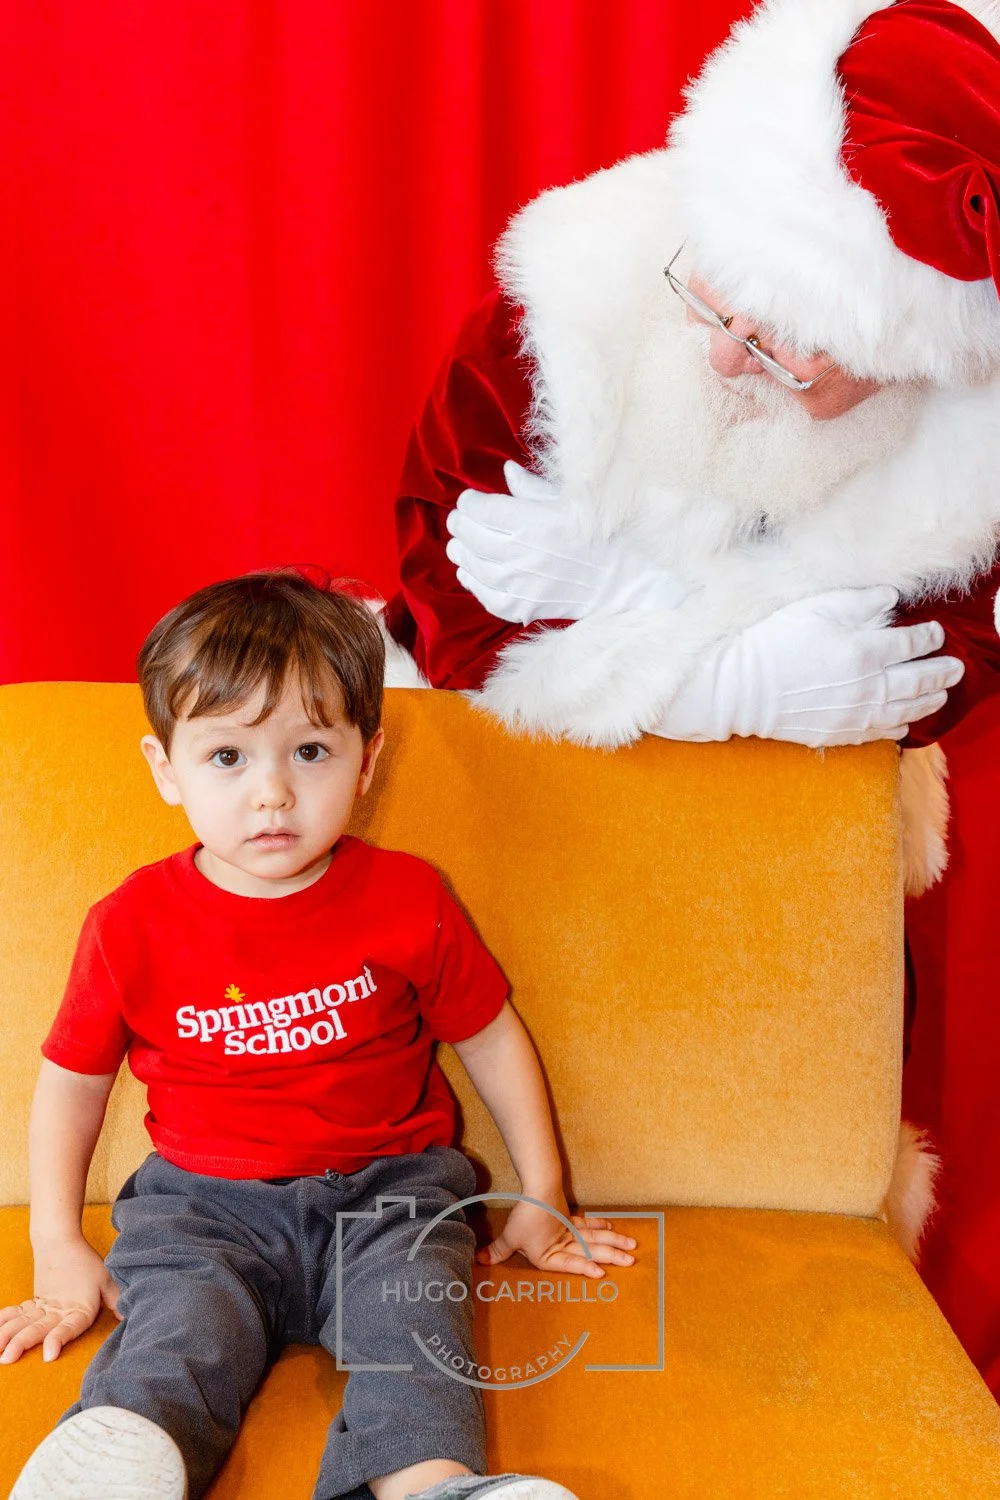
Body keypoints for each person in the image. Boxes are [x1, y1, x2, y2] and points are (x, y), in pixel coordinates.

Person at [381, 0, 1000, 1392]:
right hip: (531, 839)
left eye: (789, 350)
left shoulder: (973, 446)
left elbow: (928, 665)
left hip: (774, 886)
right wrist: (723, 672)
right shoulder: (587, 286)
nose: (728, 354)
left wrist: (606, 607)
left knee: (762, 1240)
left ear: (908, 351)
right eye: (717, 302)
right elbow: (450, 598)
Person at [1, 568, 636, 1500]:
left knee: (415, 1337)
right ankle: (122, 1459)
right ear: (165, 769)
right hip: (202, 1210)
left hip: (393, 1200)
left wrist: (543, 1192)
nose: (272, 795)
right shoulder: (130, 924)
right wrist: (57, 1238)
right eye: (228, 758)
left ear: (367, 760)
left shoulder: (408, 898)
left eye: (309, 752)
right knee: (181, 1329)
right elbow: (72, 1082)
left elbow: (492, 1038)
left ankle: (435, 1485)